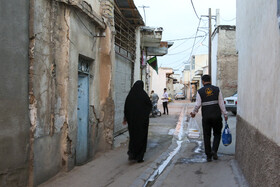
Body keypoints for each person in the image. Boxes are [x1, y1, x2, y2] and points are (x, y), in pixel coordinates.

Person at [190, 75, 228, 162]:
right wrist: (225, 114)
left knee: (207, 135)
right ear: (210, 80)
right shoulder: (217, 89)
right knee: (217, 134)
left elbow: (197, 104)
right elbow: (221, 103)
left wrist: (193, 113)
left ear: (203, 82)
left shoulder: (200, 91)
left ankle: (208, 156)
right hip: (217, 116)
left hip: (206, 117)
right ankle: (214, 150)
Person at [123, 80, 152, 163]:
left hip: (132, 123)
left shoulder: (130, 95)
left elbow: (126, 107)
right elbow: (149, 106)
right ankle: (139, 157)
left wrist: (125, 118)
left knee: (133, 137)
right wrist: (144, 114)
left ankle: (132, 154)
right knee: (141, 138)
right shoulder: (144, 95)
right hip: (142, 123)